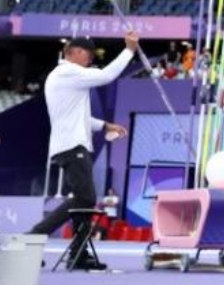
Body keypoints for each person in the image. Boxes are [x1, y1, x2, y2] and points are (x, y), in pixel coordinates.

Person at [27, 31, 140, 270]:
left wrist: (105, 125)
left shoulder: (65, 78)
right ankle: (34, 236)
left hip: (71, 144)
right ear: (75, 52)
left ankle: (78, 253)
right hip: (72, 145)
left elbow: (78, 116)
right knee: (85, 198)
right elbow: (106, 75)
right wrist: (129, 50)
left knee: (84, 200)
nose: (91, 59)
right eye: (88, 55)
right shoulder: (67, 72)